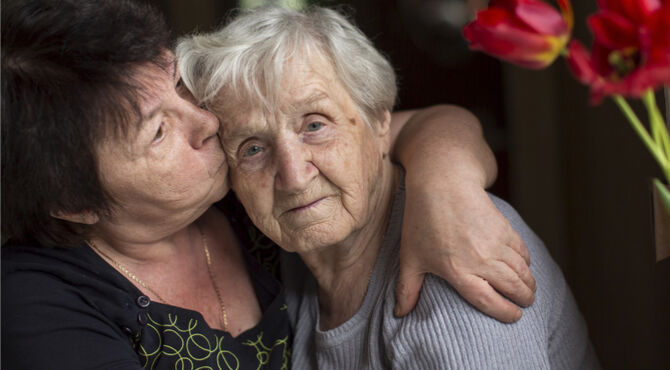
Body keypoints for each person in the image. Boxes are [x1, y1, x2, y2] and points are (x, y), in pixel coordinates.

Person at [2, 0, 534, 369]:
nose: (207, 122)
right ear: (74, 202)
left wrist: (448, 190)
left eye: (181, 86)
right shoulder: (33, 304)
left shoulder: (244, 177)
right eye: (160, 131)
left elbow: (410, 125)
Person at [178, 5, 601, 369]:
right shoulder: (290, 259)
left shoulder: (456, 269)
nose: (293, 176)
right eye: (252, 148)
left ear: (381, 123)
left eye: (315, 125)